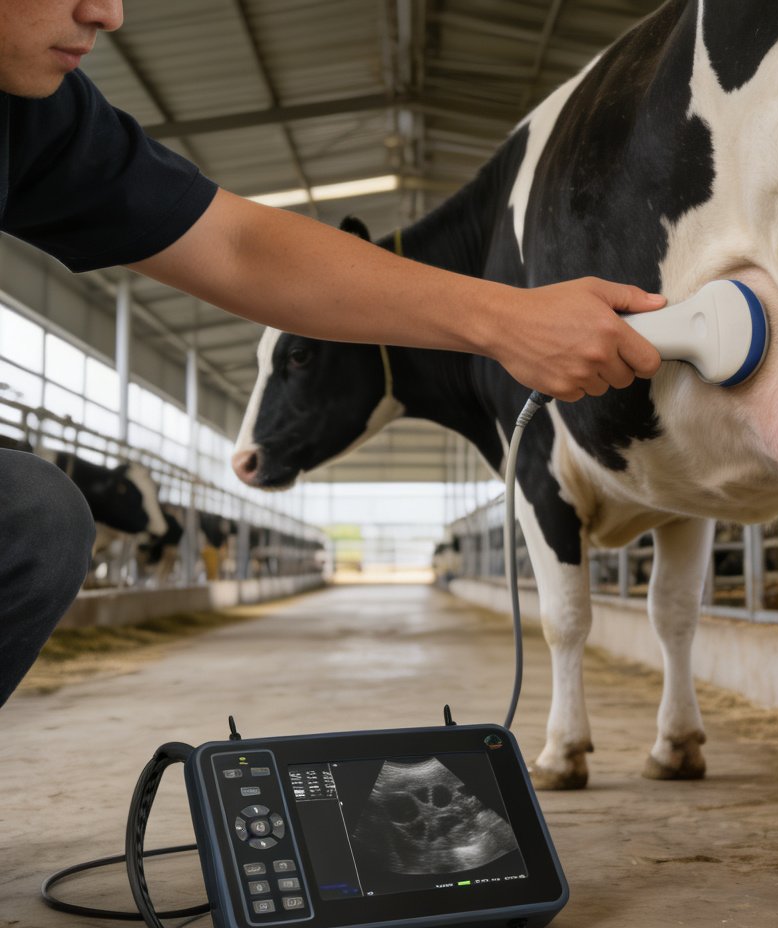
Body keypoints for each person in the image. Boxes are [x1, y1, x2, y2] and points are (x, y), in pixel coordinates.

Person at [0, 0, 666, 705]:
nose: (108, 13)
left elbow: (237, 245)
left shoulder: (35, 116)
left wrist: (512, 319)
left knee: (39, 516)